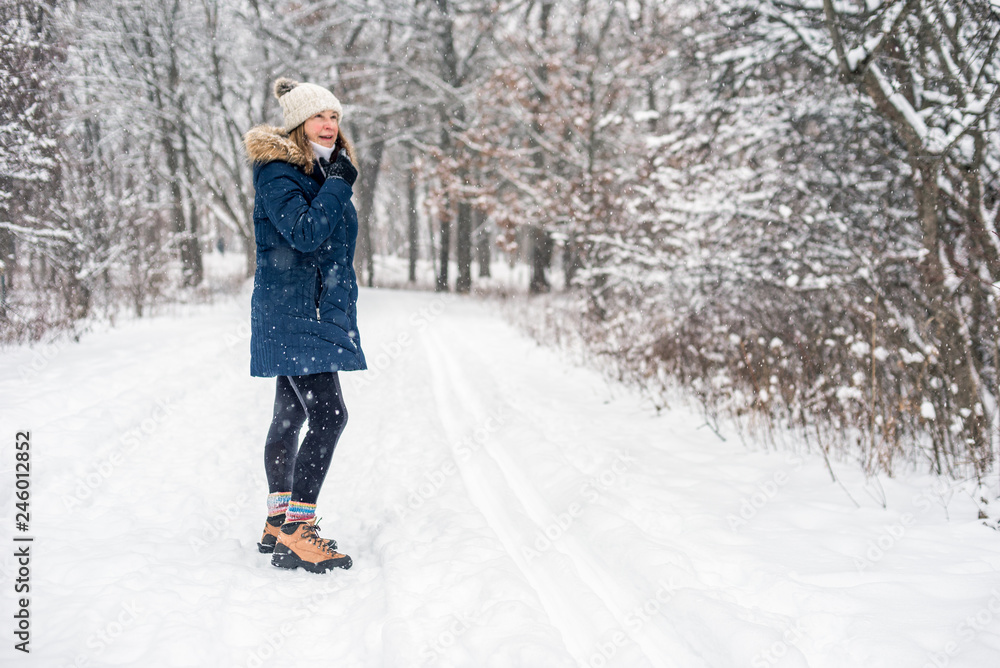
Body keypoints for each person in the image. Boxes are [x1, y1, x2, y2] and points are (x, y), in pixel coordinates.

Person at [242, 78, 366, 574]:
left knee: (292, 416)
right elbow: (306, 233)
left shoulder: (320, 171)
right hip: (294, 313)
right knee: (330, 416)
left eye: (335, 117)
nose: (330, 125)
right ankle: (299, 531)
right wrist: (338, 184)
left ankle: (278, 521)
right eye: (319, 117)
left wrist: (333, 179)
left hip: (306, 311)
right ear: (297, 124)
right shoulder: (278, 172)